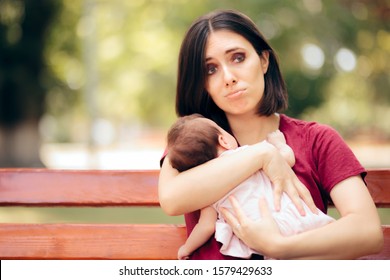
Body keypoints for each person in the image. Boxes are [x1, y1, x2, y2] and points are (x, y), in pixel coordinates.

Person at [158, 9, 383, 259]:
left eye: (238, 58)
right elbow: (171, 198)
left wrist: (278, 248)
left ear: (264, 60)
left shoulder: (317, 140)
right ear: (202, 83)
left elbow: (367, 231)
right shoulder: (194, 139)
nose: (229, 78)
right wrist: (262, 155)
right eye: (211, 69)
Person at [167, 114, 335, 260]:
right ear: (223, 140)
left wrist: (186, 248)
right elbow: (288, 159)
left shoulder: (207, 190)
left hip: (264, 235)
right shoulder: (247, 155)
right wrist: (280, 144)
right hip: (295, 216)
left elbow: (206, 227)